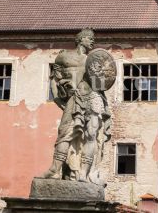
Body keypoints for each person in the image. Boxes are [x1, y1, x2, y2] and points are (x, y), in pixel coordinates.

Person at [42, 28, 111, 183]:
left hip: (93, 97)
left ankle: (84, 174)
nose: (92, 41)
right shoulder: (64, 56)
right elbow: (54, 79)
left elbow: (102, 83)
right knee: (65, 133)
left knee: (91, 135)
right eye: (89, 38)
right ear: (81, 39)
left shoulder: (93, 60)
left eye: (93, 38)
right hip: (74, 98)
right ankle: (54, 169)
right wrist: (58, 99)